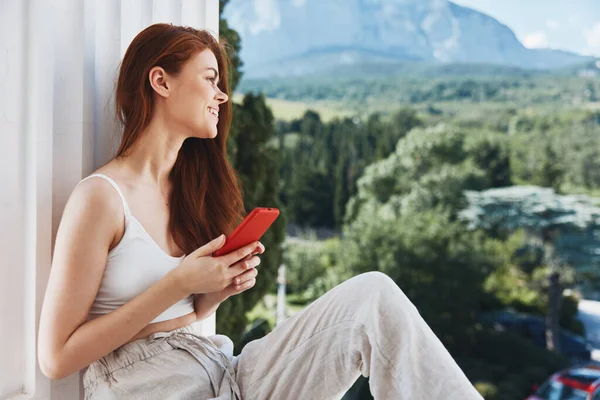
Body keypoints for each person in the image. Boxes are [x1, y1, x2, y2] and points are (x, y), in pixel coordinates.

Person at [37, 23, 484, 400]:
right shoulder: (101, 197)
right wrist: (179, 282)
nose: (221, 96)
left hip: (222, 371)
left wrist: (209, 296)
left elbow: (181, 314)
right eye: (210, 78)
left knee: (373, 297)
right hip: (149, 385)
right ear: (161, 81)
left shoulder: (184, 191)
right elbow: (57, 357)